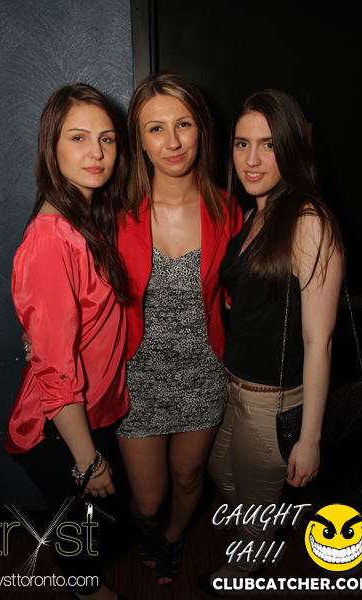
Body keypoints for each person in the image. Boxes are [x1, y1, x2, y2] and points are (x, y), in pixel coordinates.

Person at [198, 88, 345, 596]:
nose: (252, 159)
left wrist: (309, 438)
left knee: (255, 508)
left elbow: (320, 340)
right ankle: (261, 536)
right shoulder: (253, 214)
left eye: (268, 144)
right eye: (242, 144)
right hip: (232, 388)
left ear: (292, 148)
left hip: (273, 401)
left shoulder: (308, 221)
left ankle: (246, 573)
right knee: (220, 473)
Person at [115, 72, 243, 586]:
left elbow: (239, 298)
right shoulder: (116, 214)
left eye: (183, 124)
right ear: (139, 141)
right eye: (155, 128)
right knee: (147, 499)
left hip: (203, 372)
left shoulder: (227, 210)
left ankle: (172, 537)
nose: (171, 142)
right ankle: (150, 525)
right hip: (136, 378)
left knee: (188, 476)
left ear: (201, 129)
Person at [6, 84, 130, 600]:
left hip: (88, 416)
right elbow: (56, 372)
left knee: (97, 530)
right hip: (59, 430)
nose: (96, 153)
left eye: (107, 138)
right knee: (84, 544)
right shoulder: (51, 238)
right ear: (51, 147)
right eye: (78, 138)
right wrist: (89, 460)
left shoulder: (87, 221)